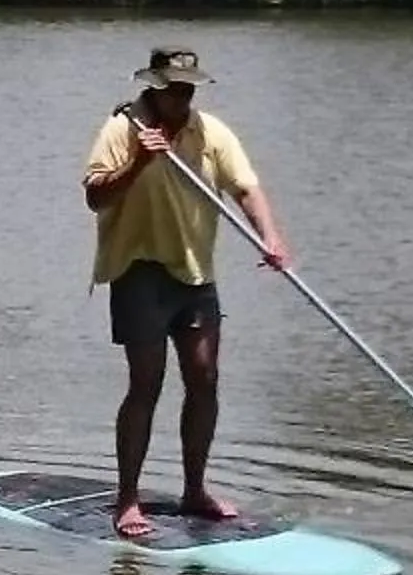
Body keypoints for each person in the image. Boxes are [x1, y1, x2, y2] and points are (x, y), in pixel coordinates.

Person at [80, 48, 291, 540]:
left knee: (204, 378)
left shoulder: (210, 131)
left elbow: (245, 187)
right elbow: (94, 195)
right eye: (175, 87)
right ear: (155, 86)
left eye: (189, 86)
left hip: (195, 274)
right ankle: (127, 498)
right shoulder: (123, 128)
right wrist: (137, 162)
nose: (184, 95)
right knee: (146, 384)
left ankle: (195, 489)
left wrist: (270, 236)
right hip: (139, 270)